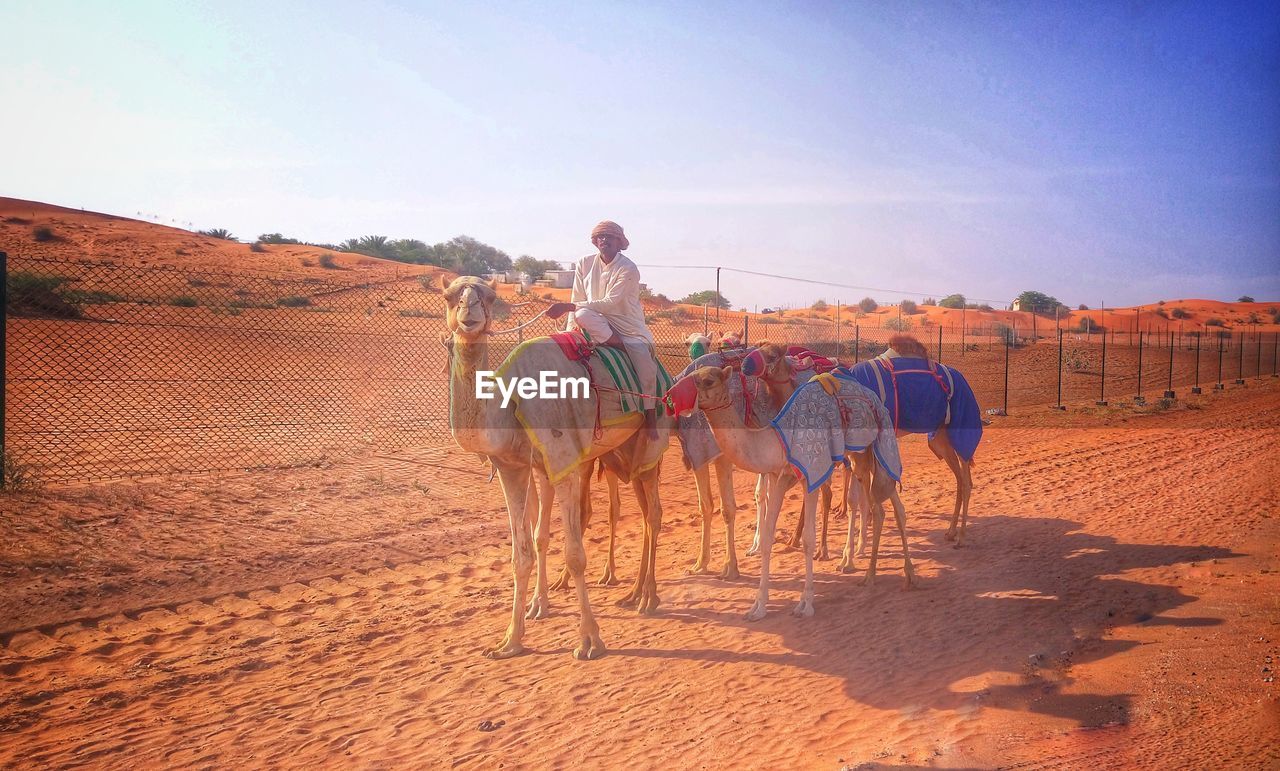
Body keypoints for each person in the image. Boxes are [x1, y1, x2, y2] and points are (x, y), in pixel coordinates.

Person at [546, 221, 659, 437]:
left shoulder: (628, 268)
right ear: (595, 242)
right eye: (600, 237)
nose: (604, 240)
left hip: (626, 325)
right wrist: (571, 329)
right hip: (593, 319)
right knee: (579, 316)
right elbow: (577, 298)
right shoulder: (584, 263)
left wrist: (568, 307)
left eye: (609, 237)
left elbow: (610, 302)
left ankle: (651, 414)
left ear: (619, 242)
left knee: (645, 365)